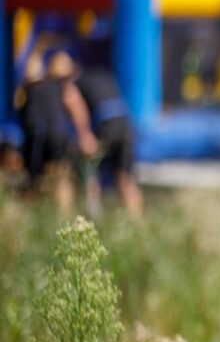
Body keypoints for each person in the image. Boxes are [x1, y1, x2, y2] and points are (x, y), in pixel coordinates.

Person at [53, 53, 143, 219]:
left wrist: (84, 135)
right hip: (126, 123)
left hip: (107, 124)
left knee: (87, 169)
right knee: (126, 177)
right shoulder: (100, 75)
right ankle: (137, 223)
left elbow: (74, 105)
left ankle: (90, 217)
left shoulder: (73, 84)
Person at [16, 54, 77, 213]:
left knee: (32, 180)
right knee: (61, 177)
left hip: (35, 135)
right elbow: (73, 107)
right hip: (56, 134)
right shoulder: (61, 88)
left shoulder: (27, 91)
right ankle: (64, 217)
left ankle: (29, 216)